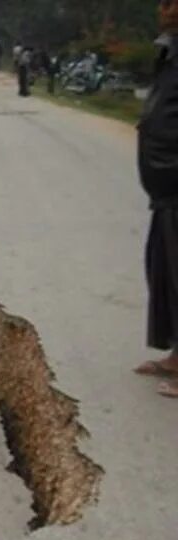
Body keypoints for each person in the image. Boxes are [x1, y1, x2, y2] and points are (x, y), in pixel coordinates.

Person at [135, 0, 178, 399]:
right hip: (165, 187)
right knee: (164, 271)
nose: (164, 9)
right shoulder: (169, 50)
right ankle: (175, 356)